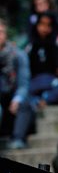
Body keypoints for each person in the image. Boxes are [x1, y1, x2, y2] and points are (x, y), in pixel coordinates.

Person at [0, 18, 34, 150]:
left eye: (1, 32)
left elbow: (24, 84)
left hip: (14, 105)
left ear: (6, 34)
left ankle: (18, 138)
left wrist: (17, 99)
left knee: (24, 101)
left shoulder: (18, 55)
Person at [26, 12, 58, 107]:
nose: (45, 28)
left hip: (52, 81)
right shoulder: (30, 45)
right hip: (35, 82)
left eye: (48, 25)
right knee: (23, 91)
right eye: (42, 24)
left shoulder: (57, 45)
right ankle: (37, 101)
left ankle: (44, 99)